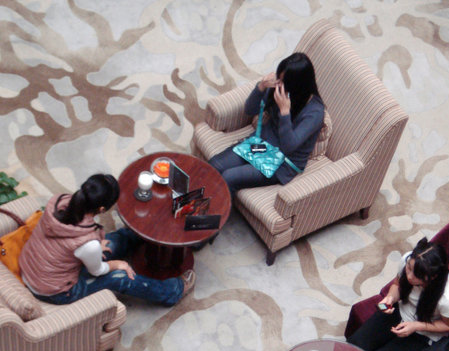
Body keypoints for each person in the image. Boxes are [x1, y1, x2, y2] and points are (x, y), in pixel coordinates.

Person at [19, 174, 195, 306]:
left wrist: (94, 247)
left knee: (112, 243)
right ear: (102, 209)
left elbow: (78, 245)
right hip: (55, 290)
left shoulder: (58, 201)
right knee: (120, 277)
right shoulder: (88, 243)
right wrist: (118, 264)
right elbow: (98, 271)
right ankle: (173, 291)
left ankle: (145, 233)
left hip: (35, 266)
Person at [209, 52, 325, 195]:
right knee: (214, 165)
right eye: (279, 78)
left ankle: (214, 216)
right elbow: (250, 109)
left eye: (284, 82)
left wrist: (284, 112)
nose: (279, 84)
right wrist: (261, 87)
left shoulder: (315, 112)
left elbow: (289, 146)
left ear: (297, 86)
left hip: (283, 162)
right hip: (261, 145)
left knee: (229, 177)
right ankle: (189, 205)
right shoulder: (280, 89)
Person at [347, 237, 449, 351]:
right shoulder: (407, 260)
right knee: (355, 345)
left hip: (424, 331)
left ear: (433, 277)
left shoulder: (448, 297)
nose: (410, 276)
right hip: (401, 310)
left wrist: (416, 326)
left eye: (417, 275)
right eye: (409, 268)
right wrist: (390, 297)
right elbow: (397, 285)